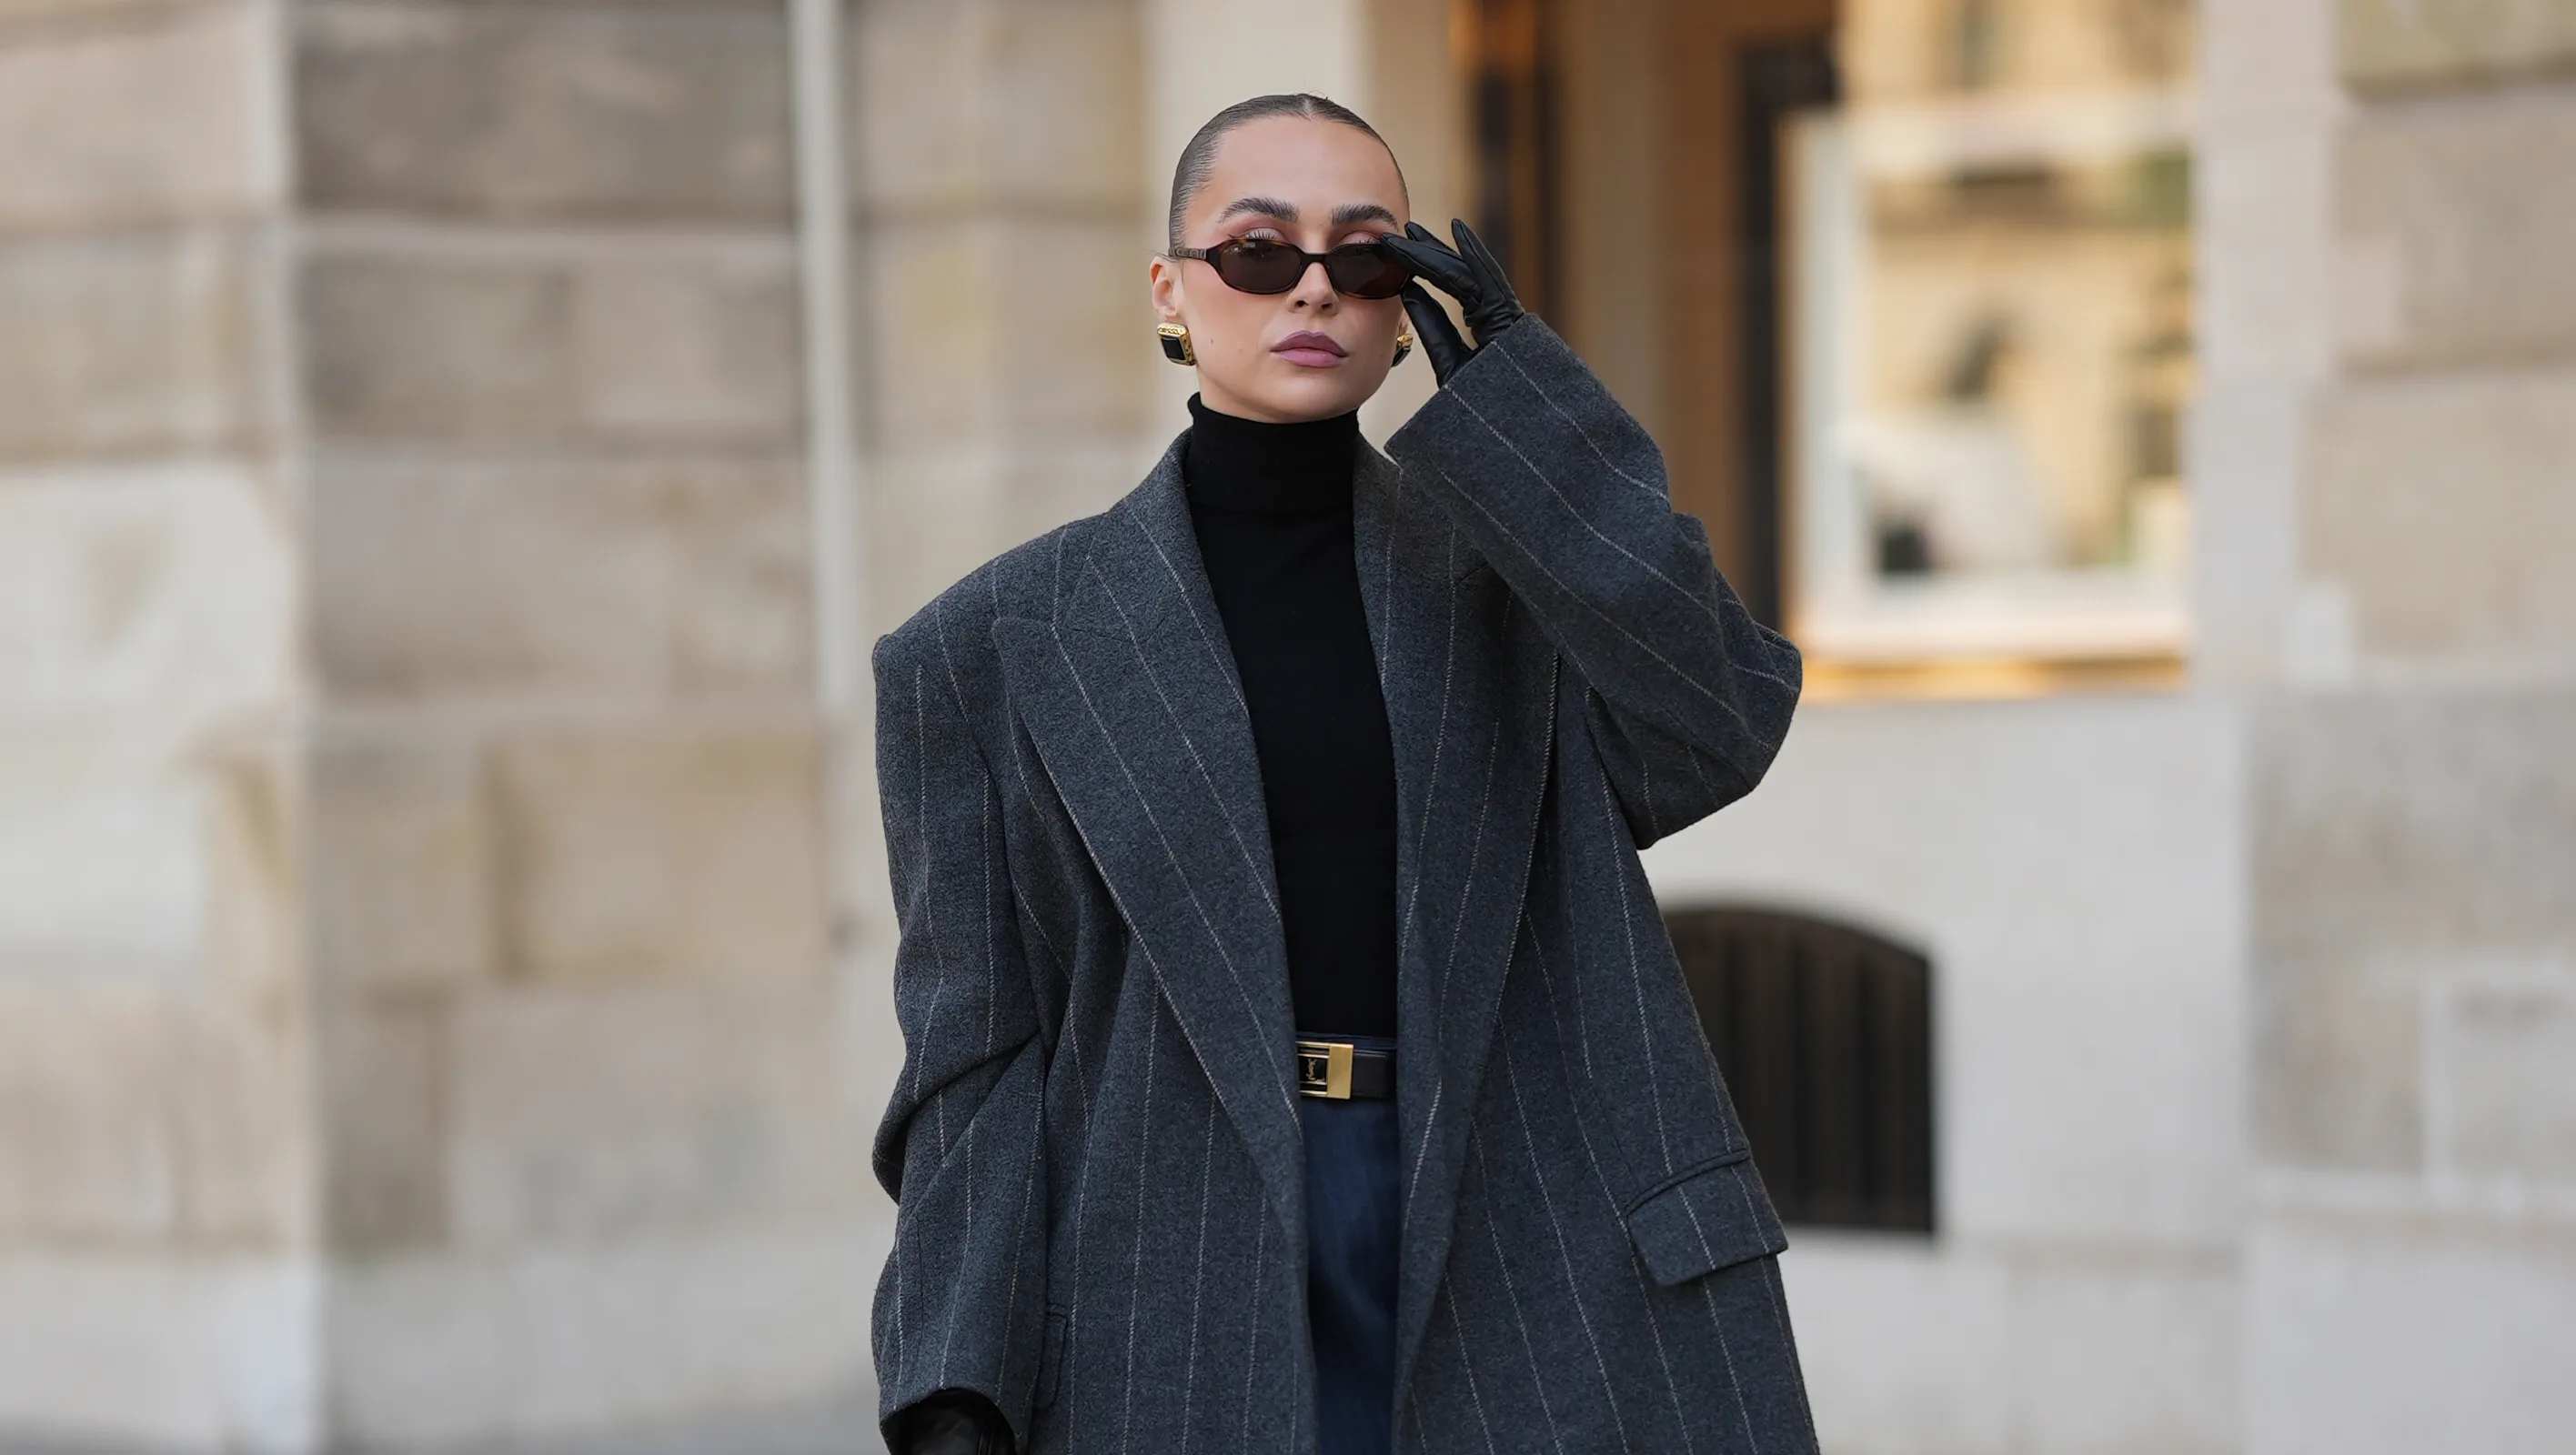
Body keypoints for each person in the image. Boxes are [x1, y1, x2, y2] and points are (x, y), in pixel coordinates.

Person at [870, 93, 1816, 1455]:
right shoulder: (984, 650)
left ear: (1407, 305)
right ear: (1170, 291)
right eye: (1258, 251)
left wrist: (1524, 410)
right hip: (1168, 1269)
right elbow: (975, 1058)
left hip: (1532, 1236)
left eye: (1366, 256)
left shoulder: (1516, 575)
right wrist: (956, 1381)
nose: (1313, 288)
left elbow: (1718, 724)